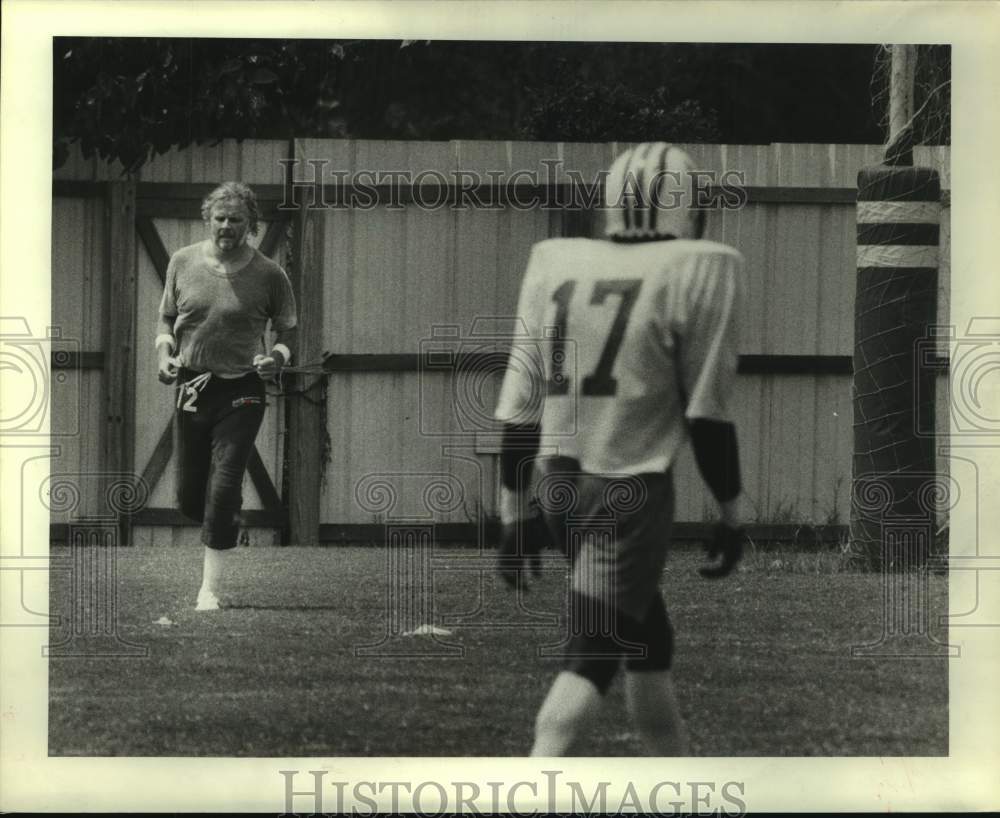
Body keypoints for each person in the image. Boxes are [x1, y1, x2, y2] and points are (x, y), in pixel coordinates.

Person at [494, 143, 745, 756]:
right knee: (594, 655)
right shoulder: (701, 266)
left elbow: (520, 405)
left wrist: (513, 514)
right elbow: (706, 415)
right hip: (628, 492)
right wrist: (734, 511)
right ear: (690, 208)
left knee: (647, 640)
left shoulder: (557, 262)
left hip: (556, 482)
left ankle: (677, 777)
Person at [155, 182, 298, 611]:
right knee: (189, 497)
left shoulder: (270, 274)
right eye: (220, 218)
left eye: (237, 219)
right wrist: (164, 356)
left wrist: (277, 355)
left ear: (250, 224)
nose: (227, 226)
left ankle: (208, 591)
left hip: (242, 388)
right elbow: (165, 319)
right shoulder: (181, 263)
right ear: (207, 219)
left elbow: (288, 327)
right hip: (194, 386)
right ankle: (226, 515)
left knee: (225, 478)